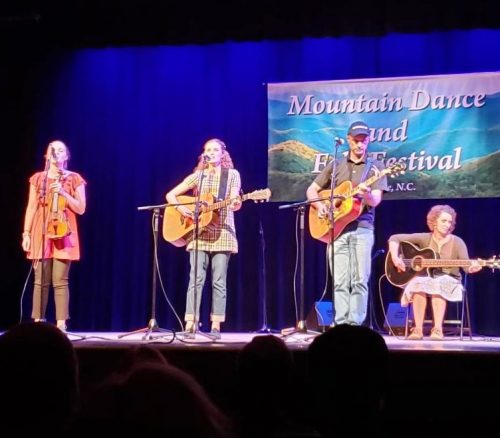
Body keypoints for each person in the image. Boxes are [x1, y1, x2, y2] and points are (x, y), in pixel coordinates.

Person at [306, 121, 388, 326]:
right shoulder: (336, 165)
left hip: (362, 229)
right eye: (356, 140)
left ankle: (356, 326)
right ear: (349, 140)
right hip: (336, 229)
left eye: (364, 140)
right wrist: (322, 206)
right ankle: (341, 325)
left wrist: (367, 194)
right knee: (341, 281)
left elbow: (375, 200)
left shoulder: (376, 167)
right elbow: (311, 191)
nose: (360, 145)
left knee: (359, 280)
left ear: (369, 141)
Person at [166, 138, 241, 338]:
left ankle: (216, 324)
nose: (212, 152)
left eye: (216, 149)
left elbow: (235, 200)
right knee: (195, 279)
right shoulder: (198, 176)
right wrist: (183, 210)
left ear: (223, 153)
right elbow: (171, 195)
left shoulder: (232, 175)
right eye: (208, 150)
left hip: (223, 231)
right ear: (203, 154)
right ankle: (190, 322)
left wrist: (235, 203)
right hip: (198, 231)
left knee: (219, 280)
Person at [388, 204, 482, 340]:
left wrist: (473, 267)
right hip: (426, 278)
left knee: (439, 284)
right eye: (444, 221)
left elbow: (467, 266)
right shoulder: (424, 238)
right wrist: (396, 258)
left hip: (450, 279)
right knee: (419, 284)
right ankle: (417, 329)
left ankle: (437, 329)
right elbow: (394, 238)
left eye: (450, 222)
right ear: (434, 222)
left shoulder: (457, 242)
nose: (447, 225)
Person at [22, 140, 86, 331]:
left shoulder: (74, 178)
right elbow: (32, 207)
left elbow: (81, 208)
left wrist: (64, 194)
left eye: (61, 150)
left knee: (60, 280)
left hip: (63, 231)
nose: (56, 154)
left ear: (66, 156)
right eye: (53, 151)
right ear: (47, 156)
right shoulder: (38, 179)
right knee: (40, 280)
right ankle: (38, 324)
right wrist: (26, 233)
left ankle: (60, 325)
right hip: (41, 231)